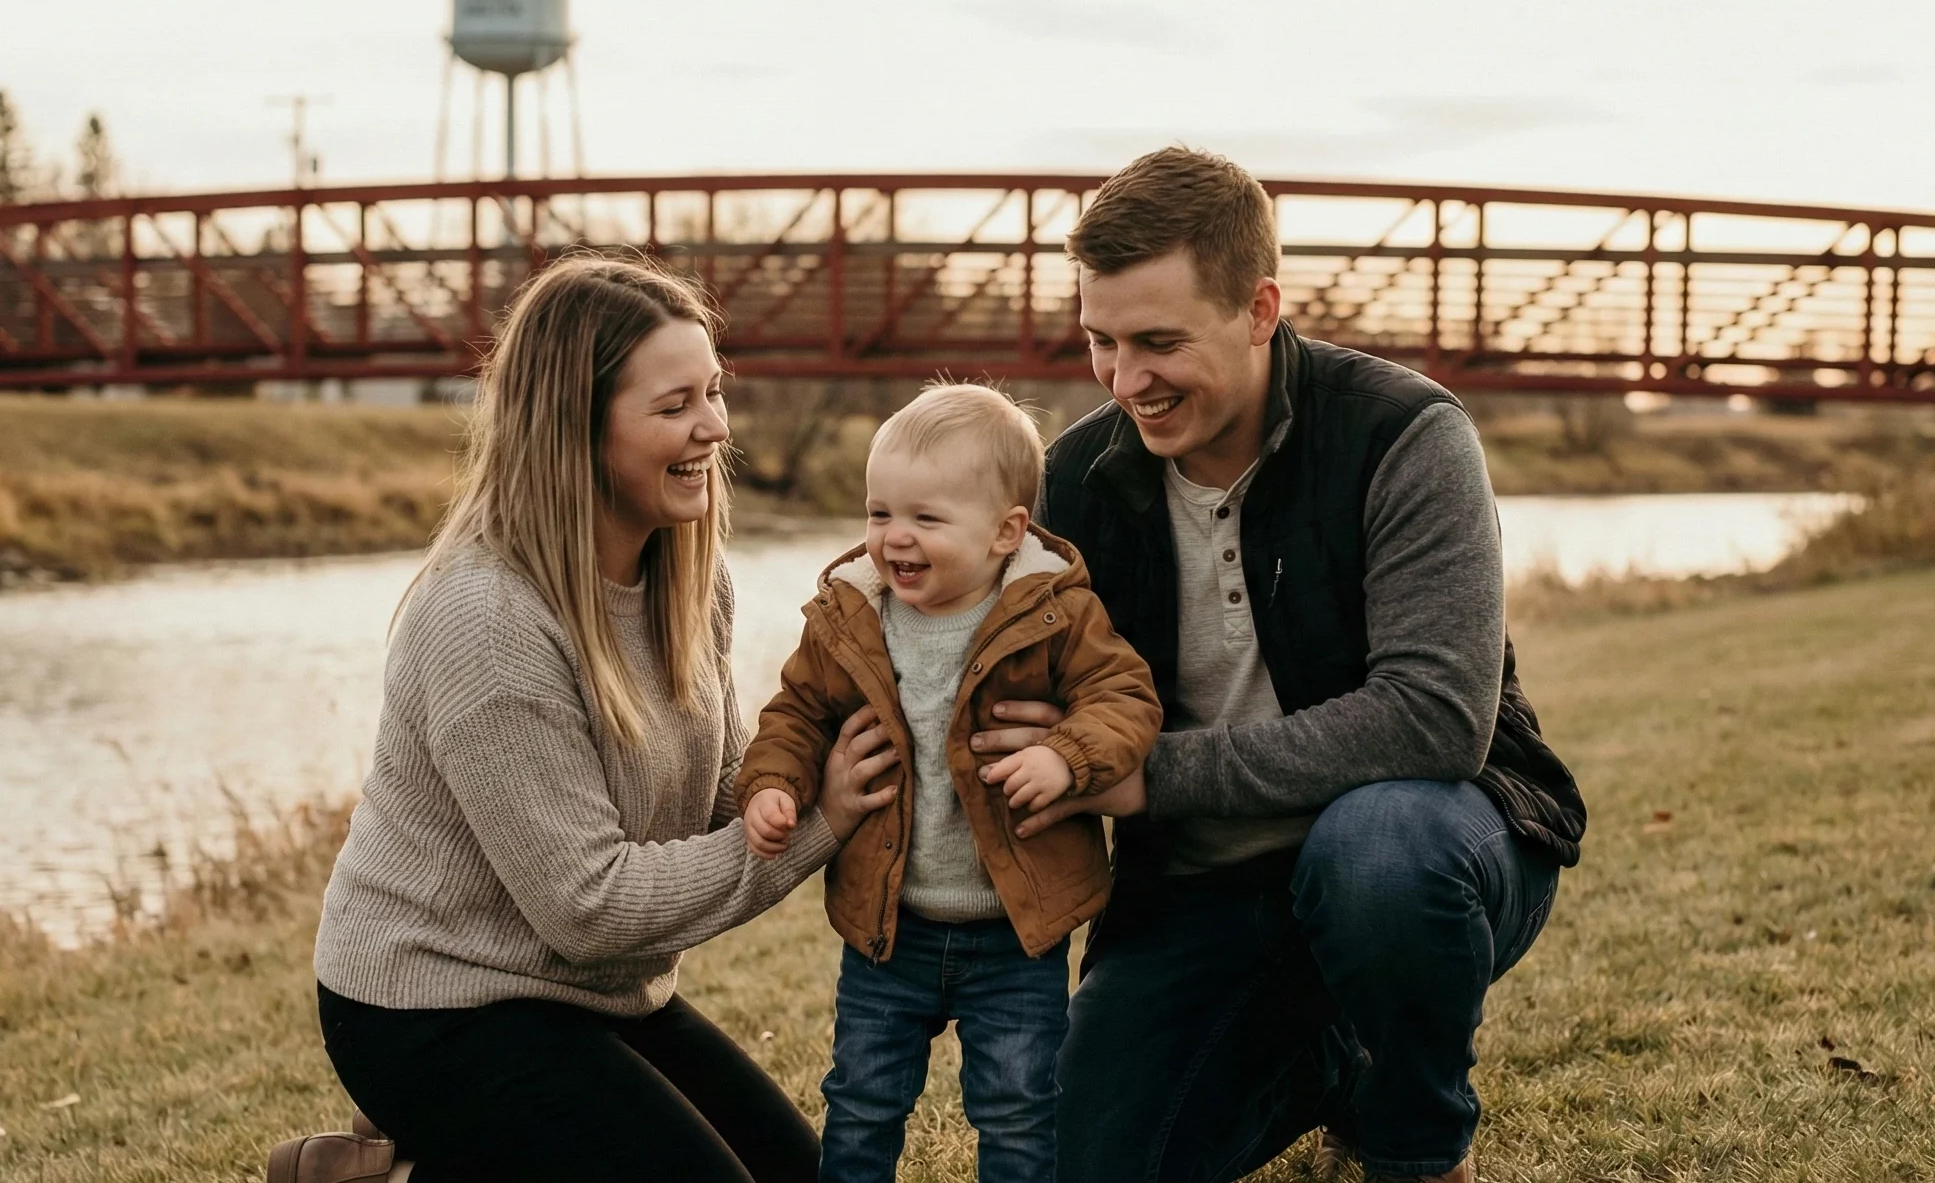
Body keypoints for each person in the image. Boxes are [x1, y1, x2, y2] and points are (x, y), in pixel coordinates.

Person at [977, 148, 1590, 1183]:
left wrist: (1147, 775)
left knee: (1379, 855)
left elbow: (1434, 721)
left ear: (1260, 309)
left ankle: (1413, 1143)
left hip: (1426, 848)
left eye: (1160, 342)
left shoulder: (1405, 434)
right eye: (1101, 342)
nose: (1128, 381)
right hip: (1201, 889)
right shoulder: (1075, 482)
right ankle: (1325, 1056)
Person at [268, 253, 900, 1183]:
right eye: (675, 404)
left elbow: (724, 806)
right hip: (433, 1004)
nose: (715, 427)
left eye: (714, 392)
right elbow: (589, 906)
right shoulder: (485, 619)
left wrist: (832, 743)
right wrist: (822, 823)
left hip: (598, 993)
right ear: (577, 426)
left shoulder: (687, 577)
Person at [733, 382, 1162, 1183]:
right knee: (861, 1099)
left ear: (1006, 533)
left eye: (926, 519)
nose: (894, 538)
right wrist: (772, 786)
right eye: (878, 512)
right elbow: (796, 714)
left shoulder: (1055, 613)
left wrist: (1067, 754)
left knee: (1018, 1107)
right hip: (888, 926)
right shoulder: (851, 613)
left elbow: (1123, 697)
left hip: (1014, 930)